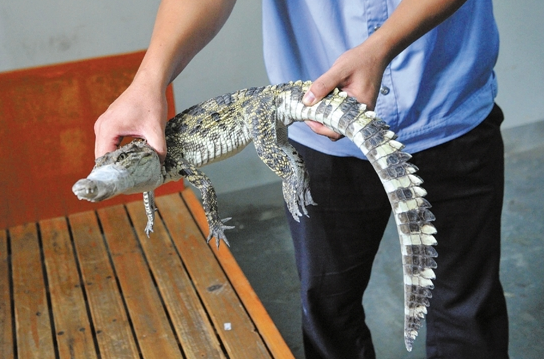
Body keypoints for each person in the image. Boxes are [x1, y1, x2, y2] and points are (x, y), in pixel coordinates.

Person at [94, 0, 510, 358]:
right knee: (326, 307)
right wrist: (148, 80)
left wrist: (381, 47)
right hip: (317, 130)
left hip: (452, 107)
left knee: (467, 307)